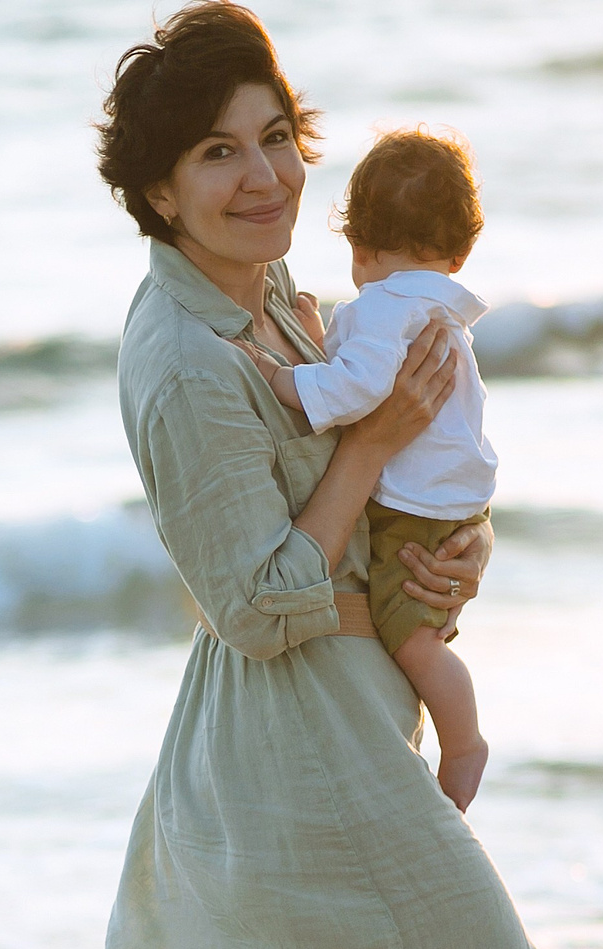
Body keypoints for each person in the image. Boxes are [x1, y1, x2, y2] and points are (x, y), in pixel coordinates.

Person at [0, 1, 573, 949]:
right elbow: (251, 601)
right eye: (215, 155)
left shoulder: (282, 302)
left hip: (339, 708)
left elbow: (363, 510)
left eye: (274, 141)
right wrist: (375, 460)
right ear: (157, 192)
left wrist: (436, 559)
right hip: (286, 732)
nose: (260, 177)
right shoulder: (184, 357)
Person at [239, 129, 498, 812]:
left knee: (412, 640)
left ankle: (464, 739)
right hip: (455, 502)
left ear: (358, 246)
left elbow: (353, 393)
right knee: (424, 620)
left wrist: (281, 375)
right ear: (460, 250)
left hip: (413, 507)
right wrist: (323, 341)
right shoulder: (439, 307)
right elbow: (371, 378)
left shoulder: (383, 307)